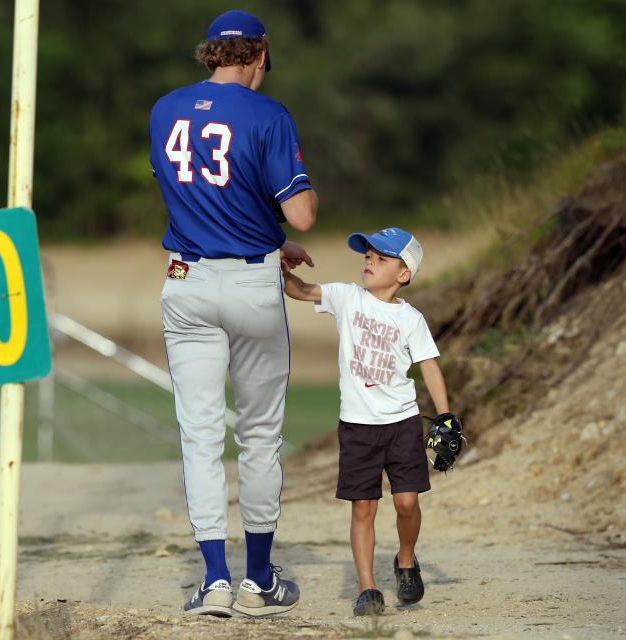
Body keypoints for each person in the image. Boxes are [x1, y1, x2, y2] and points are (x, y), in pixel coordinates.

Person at [149, 9, 318, 618]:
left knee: (199, 437)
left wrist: (266, 239)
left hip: (186, 280)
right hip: (251, 285)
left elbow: (200, 193)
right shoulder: (269, 115)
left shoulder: (165, 108)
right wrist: (284, 224)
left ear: (210, 54)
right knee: (259, 438)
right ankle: (259, 581)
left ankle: (214, 581)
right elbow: (300, 214)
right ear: (261, 54)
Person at [282, 227, 451, 616]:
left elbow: (429, 366)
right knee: (363, 507)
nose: (369, 262)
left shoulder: (411, 318)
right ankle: (368, 588)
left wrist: (444, 417)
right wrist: (280, 264)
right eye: (367, 256)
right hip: (358, 424)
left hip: (403, 421)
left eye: (381, 258)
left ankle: (405, 560)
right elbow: (300, 290)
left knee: (407, 502)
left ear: (404, 274)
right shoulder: (347, 297)